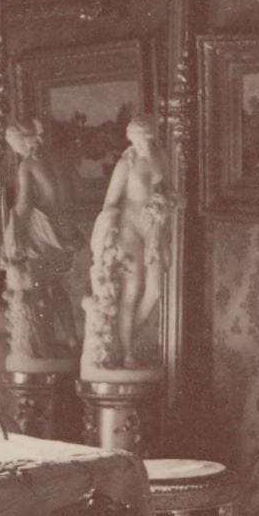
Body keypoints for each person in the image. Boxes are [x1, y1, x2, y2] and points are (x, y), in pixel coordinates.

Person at [80, 115, 173, 372]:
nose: (144, 144)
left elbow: (171, 191)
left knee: (155, 291)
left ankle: (122, 340)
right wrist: (108, 224)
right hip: (128, 230)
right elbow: (110, 202)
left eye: (147, 139)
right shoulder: (126, 164)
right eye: (139, 140)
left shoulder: (161, 157)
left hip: (153, 229)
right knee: (131, 292)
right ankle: (127, 352)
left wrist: (165, 203)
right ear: (131, 139)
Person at [0, 116, 74, 371]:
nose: (13, 150)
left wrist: (13, 231)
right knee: (55, 284)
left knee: (35, 288)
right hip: (63, 230)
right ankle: (71, 337)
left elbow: (24, 204)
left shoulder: (27, 165)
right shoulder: (58, 159)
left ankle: (40, 346)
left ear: (22, 141)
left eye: (13, 144)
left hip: (43, 231)